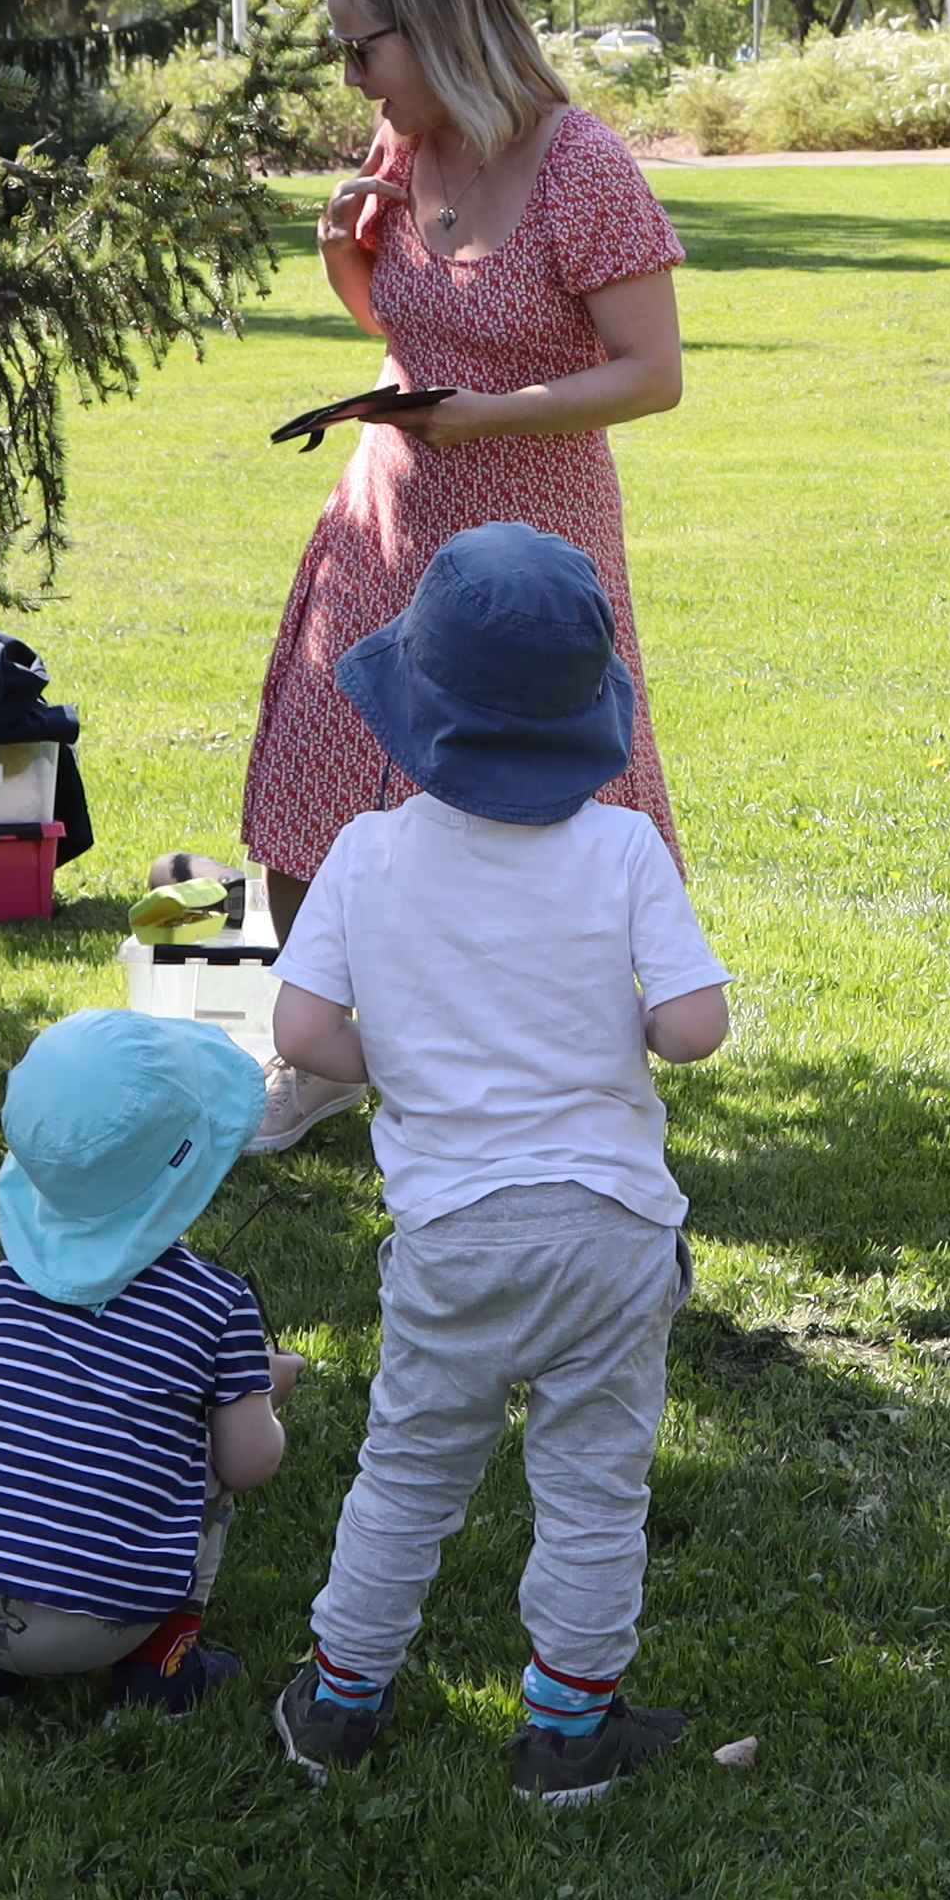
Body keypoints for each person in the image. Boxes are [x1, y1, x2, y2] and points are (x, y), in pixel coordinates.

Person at [261, 525, 734, 1807]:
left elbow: (302, 1035)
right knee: (592, 1484)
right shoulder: (625, 847)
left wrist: (394, 1053)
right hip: (612, 1230)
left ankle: (339, 1704)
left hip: (452, 1238)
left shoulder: (365, 855)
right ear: (588, 715)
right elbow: (695, 1026)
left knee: (407, 1472)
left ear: (415, 706)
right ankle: (566, 1735)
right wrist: (625, 1024)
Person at [240, 0, 688, 1133]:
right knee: (312, 776)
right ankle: (329, 1056)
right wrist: (345, 258)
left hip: (527, 537)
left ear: (436, 32)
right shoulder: (403, 144)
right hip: (385, 516)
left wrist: (490, 417)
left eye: (360, 49)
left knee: (538, 800)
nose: (352, 78)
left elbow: (652, 373)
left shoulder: (581, 165)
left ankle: (566, 1046)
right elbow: (404, 332)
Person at [0, 1012, 290, 1726]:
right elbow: (249, 1462)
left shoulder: (14, 1276)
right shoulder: (215, 1302)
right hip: (97, 1618)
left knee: (35, 1444)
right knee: (203, 1474)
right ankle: (161, 1671)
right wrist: (263, 1390)